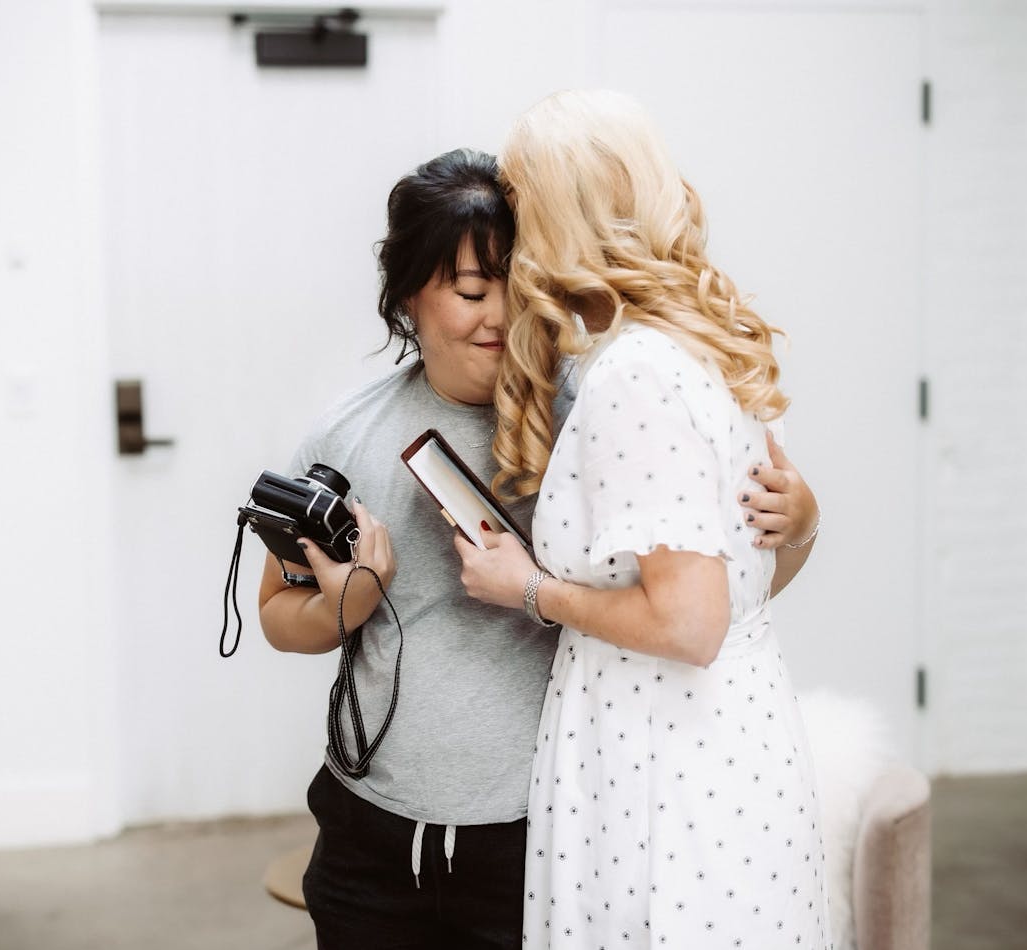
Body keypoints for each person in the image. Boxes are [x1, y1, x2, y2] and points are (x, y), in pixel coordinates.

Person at [258, 147, 819, 949]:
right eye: (472, 292)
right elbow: (277, 614)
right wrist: (352, 600)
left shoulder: (601, 416)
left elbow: (708, 607)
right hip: (367, 837)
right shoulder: (347, 432)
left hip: (545, 834)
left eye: (517, 291)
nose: (498, 319)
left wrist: (799, 520)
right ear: (409, 292)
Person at [452, 90, 830, 948]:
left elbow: (691, 622)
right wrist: (803, 526)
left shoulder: (636, 374)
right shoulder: (708, 343)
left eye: (517, 204)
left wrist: (532, 589)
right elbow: (746, 584)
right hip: (738, 738)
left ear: (554, 214)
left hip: (662, 762)